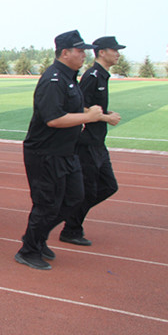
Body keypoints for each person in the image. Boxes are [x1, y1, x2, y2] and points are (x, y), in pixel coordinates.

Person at [15, 30, 103, 270]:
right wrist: (88, 117)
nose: (84, 55)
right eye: (80, 51)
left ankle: (36, 237)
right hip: (45, 153)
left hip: (66, 151)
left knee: (75, 198)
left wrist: (92, 115)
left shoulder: (69, 78)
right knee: (47, 204)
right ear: (65, 53)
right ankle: (29, 250)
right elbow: (53, 119)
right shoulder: (53, 80)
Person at [58, 36, 124, 246]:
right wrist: (105, 117)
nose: (118, 54)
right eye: (114, 50)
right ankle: (70, 228)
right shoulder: (92, 76)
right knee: (87, 190)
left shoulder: (102, 76)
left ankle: (70, 218)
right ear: (101, 52)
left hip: (98, 142)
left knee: (108, 186)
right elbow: (79, 107)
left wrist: (106, 113)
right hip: (86, 143)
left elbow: (92, 107)